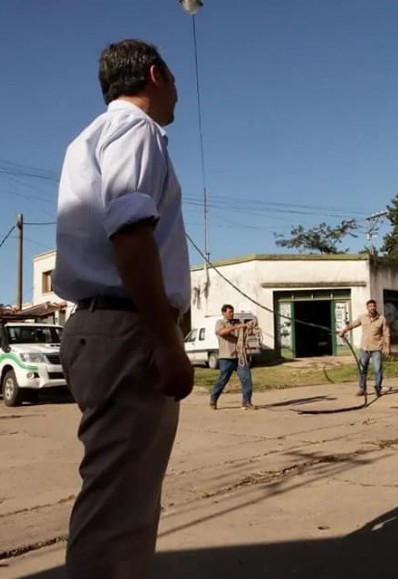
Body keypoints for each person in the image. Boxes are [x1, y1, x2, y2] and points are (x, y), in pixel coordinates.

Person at [52, 39, 194, 578]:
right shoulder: (138, 130)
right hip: (127, 327)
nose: (178, 92)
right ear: (155, 75)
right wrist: (166, 340)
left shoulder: (86, 138)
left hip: (100, 325)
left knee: (117, 499)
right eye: (174, 80)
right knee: (120, 515)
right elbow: (131, 235)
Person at [338, 299, 391, 396]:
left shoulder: (382, 319)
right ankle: (362, 389)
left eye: (373, 306)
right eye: (370, 306)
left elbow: (386, 334)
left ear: (376, 307)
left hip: (376, 349)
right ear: (367, 308)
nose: (372, 308)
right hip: (364, 348)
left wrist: (387, 347)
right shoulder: (362, 317)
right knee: (362, 369)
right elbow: (352, 325)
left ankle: (378, 388)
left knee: (377, 369)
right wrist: (343, 331)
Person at [209, 304, 257, 410]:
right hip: (226, 357)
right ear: (223, 312)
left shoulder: (237, 322)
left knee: (246, 378)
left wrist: (249, 326)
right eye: (229, 312)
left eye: (232, 312)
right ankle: (213, 399)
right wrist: (237, 327)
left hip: (240, 356)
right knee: (223, 380)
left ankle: (247, 402)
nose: (232, 314)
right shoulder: (220, 323)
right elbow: (221, 332)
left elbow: (245, 330)